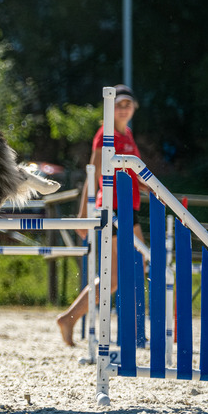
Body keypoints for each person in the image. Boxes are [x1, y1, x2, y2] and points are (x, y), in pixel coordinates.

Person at [57, 84, 147, 346]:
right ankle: (130, 331)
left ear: (134, 108)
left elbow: (137, 174)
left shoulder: (128, 135)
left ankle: (70, 318)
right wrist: (84, 211)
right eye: (118, 104)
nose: (123, 108)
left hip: (131, 207)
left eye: (127, 104)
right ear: (109, 109)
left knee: (122, 274)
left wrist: (155, 190)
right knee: (128, 270)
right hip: (115, 207)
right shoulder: (105, 135)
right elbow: (93, 174)